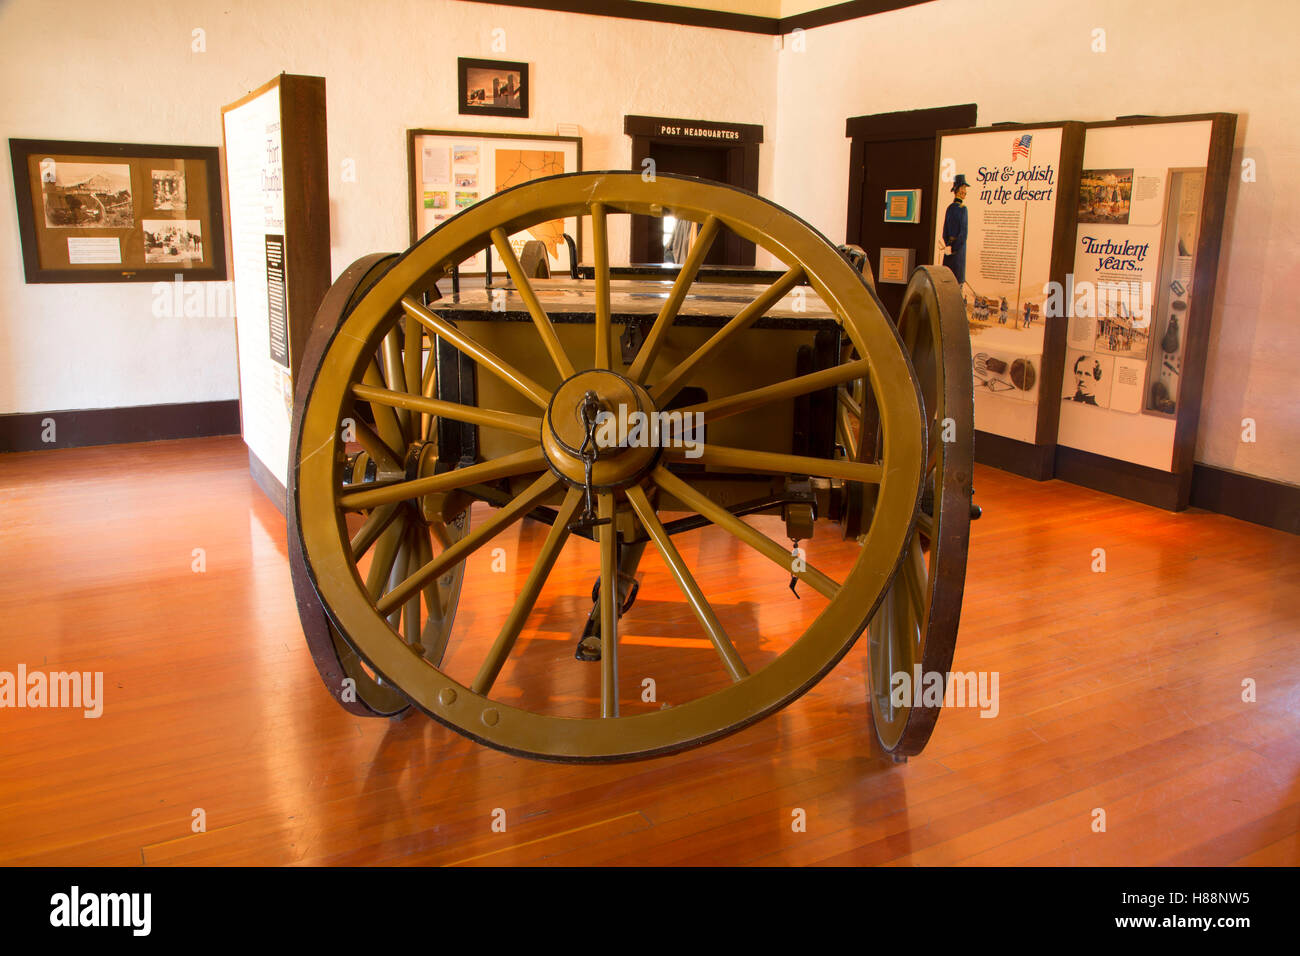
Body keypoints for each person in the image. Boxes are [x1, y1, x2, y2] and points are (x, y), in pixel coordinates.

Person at [942, 174, 969, 284]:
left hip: (949, 246)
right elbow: (963, 233)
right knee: (957, 279)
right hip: (958, 249)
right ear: (958, 190)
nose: (965, 191)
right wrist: (956, 248)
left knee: (948, 277)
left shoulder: (949, 208)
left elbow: (945, 231)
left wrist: (948, 245)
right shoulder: (963, 209)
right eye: (963, 188)